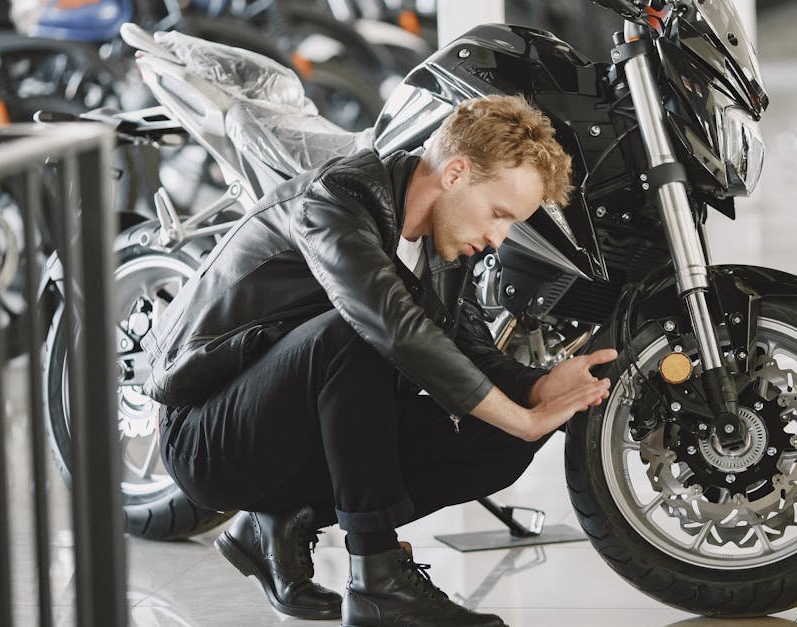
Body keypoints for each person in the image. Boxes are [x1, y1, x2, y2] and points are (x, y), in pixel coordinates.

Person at [143, 94, 616, 626]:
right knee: (357, 333)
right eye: (499, 215)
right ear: (455, 173)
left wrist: (537, 389)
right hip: (207, 435)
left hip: (296, 439)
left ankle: (282, 519)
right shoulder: (334, 201)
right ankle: (378, 577)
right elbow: (389, 326)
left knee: (501, 442)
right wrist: (523, 417)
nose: (496, 239)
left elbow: (474, 349)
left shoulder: (441, 245)